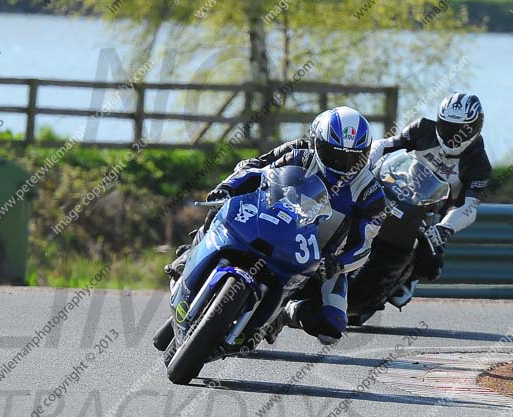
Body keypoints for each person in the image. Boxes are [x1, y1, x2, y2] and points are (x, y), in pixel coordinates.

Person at [166, 106, 387, 345]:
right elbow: (256, 169)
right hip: (270, 221)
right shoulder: (299, 153)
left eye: (354, 157)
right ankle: (190, 254)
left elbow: (363, 245)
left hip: (320, 257)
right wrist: (227, 187)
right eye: (334, 154)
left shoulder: (371, 193)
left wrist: (338, 264)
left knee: (330, 327)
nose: (343, 164)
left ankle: (283, 312)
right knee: (223, 207)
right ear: (316, 142)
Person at [368, 92, 492, 298]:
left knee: (431, 267)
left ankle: (407, 277)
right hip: (402, 186)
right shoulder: (423, 128)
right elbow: (384, 145)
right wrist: (366, 165)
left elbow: (469, 207)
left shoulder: (479, 163)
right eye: (447, 126)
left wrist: (445, 228)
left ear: (474, 127)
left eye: (460, 129)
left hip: (432, 214)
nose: (453, 135)